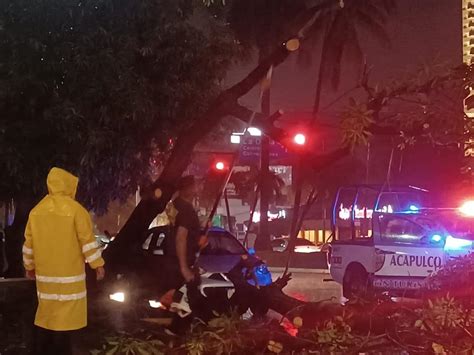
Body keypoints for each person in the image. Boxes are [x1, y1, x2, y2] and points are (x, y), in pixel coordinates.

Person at [22, 167, 105, 355]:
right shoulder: (77, 211)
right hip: (71, 281)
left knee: (48, 319)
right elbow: (87, 241)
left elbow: (29, 245)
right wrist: (97, 265)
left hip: (45, 281)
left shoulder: (36, 212)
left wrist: (29, 267)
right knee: (66, 325)